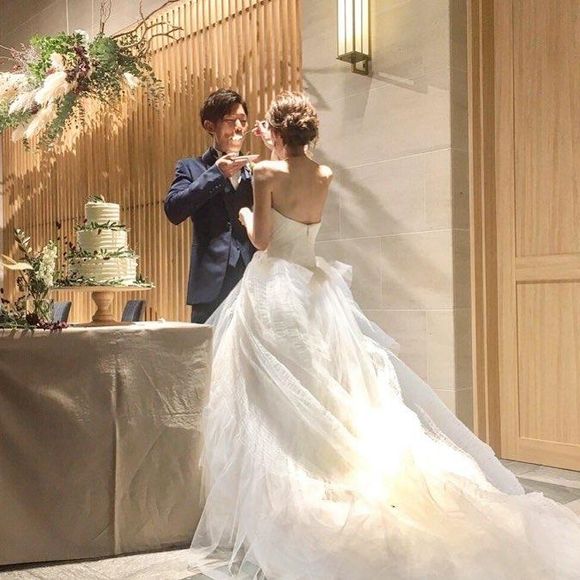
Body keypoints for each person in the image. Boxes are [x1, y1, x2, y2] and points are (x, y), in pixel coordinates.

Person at [189, 92, 580, 579]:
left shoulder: (266, 172)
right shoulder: (324, 174)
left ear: (278, 132)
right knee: (327, 385)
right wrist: (279, 147)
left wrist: (247, 215)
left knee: (272, 394)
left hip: (276, 287)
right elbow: (299, 206)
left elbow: (265, 240)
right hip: (315, 286)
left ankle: (289, 499)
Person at [164, 89, 256, 323]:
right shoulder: (190, 167)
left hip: (253, 280)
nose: (238, 127)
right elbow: (173, 210)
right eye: (230, 120)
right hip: (210, 286)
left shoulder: (255, 171)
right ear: (209, 126)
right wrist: (216, 174)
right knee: (207, 347)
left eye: (243, 121)